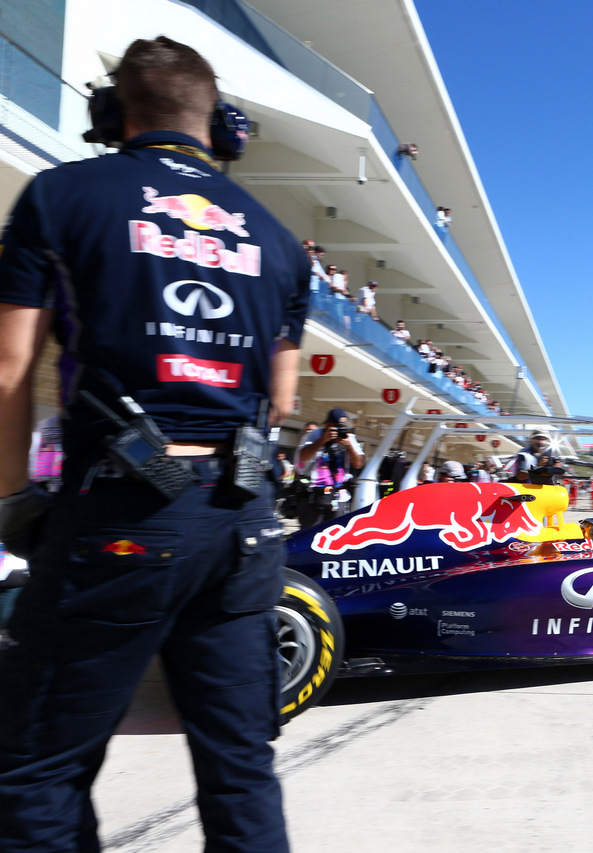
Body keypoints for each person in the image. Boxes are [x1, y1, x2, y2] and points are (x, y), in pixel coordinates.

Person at [0, 36, 306, 852]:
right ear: (222, 130)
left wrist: (11, 498)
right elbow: (282, 400)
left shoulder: (61, 196)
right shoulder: (280, 242)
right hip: (241, 523)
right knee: (240, 763)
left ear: (112, 116)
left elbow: (7, 373)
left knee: (36, 766)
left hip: (121, 513)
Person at [296, 408, 365, 528]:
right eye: (337, 426)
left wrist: (349, 446)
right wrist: (322, 440)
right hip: (313, 495)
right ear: (328, 424)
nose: (339, 430)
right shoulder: (314, 435)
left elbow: (358, 464)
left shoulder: (349, 438)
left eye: (343, 426)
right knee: (309, 534)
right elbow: (303, 457)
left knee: (335, 534)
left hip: (339, 496)